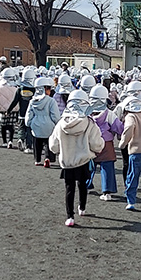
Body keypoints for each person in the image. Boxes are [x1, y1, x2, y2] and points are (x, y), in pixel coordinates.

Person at [49, 90, 104, 227]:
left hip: (67, 161)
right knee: (82, 184)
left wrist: (59, 151)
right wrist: (96, 150)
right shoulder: (89, 123)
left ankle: (70, 216)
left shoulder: (61, 123)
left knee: (69, 188)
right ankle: (82, 208)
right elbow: (97, 144)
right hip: (83, 160)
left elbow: (53, 145)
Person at [89, 85, 124, 201]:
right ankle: (107, 192)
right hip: (106, 142)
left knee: (88, 165)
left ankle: (85, 184)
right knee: (107, 167)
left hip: (90, 142)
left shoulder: (86, 113)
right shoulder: (109, 114)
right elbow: (119, 128)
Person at [24, 76, 61, 166]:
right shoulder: (51, 101)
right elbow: (55, 115)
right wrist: (56, 123)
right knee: (49, 143)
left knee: (37, 143)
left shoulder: (32, 101)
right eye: (48, 88)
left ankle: (37, 159)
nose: (50, 90)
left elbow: (29, 114)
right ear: (44, 89)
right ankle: (48, 158)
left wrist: (29, 123)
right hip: (49, 126)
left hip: (36, 125)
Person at [0, 68, 20, 148]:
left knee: (3, 126)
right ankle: (10, 140)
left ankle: (4, 141)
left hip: (2, 109)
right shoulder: (16, 87)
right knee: (12, 126)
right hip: (13, 109)